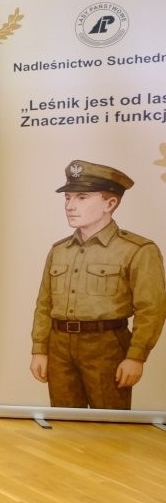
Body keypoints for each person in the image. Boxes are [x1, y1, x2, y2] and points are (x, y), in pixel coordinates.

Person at [29, 159, 166, 410]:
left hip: (106, 345)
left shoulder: (137, 250)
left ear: (110, 203)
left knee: (109, 421)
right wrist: (39, 349)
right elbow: (44, 305)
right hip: (59, 345)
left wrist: (136, 356)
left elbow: (152, 309)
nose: (70, 206)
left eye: (82, 198)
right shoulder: (59, 250)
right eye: (68, 198)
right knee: (64, 419)